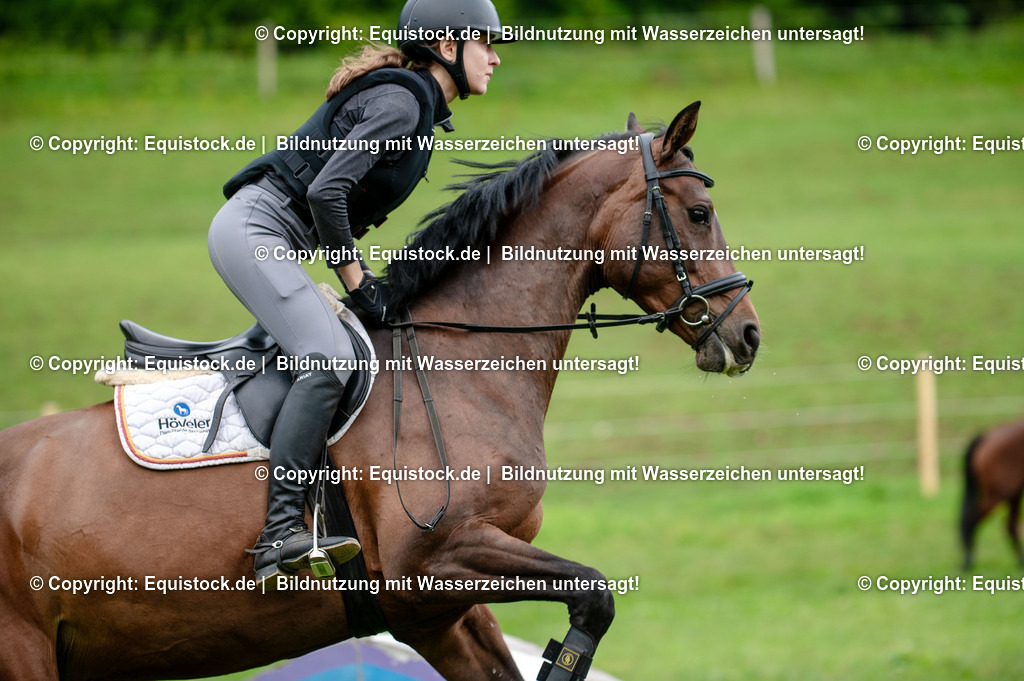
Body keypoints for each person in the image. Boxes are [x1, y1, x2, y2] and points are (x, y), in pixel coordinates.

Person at [208, 0, 511, 588]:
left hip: (271, 235)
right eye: (485, 43)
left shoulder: (414, 107)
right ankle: (278, 535)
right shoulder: (401, 104)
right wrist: (356, 279)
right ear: (447, 48)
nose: (496, 57)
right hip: (257, 231)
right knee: (328, 360)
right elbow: (326, 194)